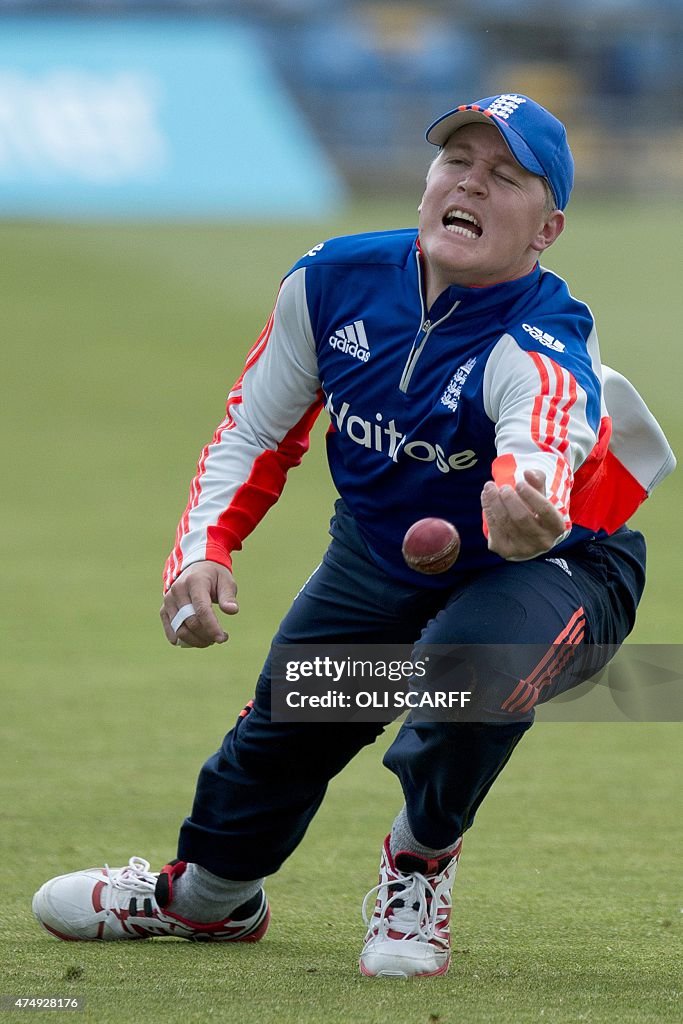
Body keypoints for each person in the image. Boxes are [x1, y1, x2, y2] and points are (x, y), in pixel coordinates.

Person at [32, 94, 674, 977]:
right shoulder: (329, 279)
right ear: (426, 183)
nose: (471, 184)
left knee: (467, 669)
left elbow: (540, 451)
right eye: (457, 163)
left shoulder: (542, 339)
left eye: (505, 176)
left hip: (562, 564)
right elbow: (256, 431)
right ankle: (208, 901)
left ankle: (418, 862)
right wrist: (202, 552)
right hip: (376, 550)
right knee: (293, 721)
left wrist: (518, 503)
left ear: (546, 228)